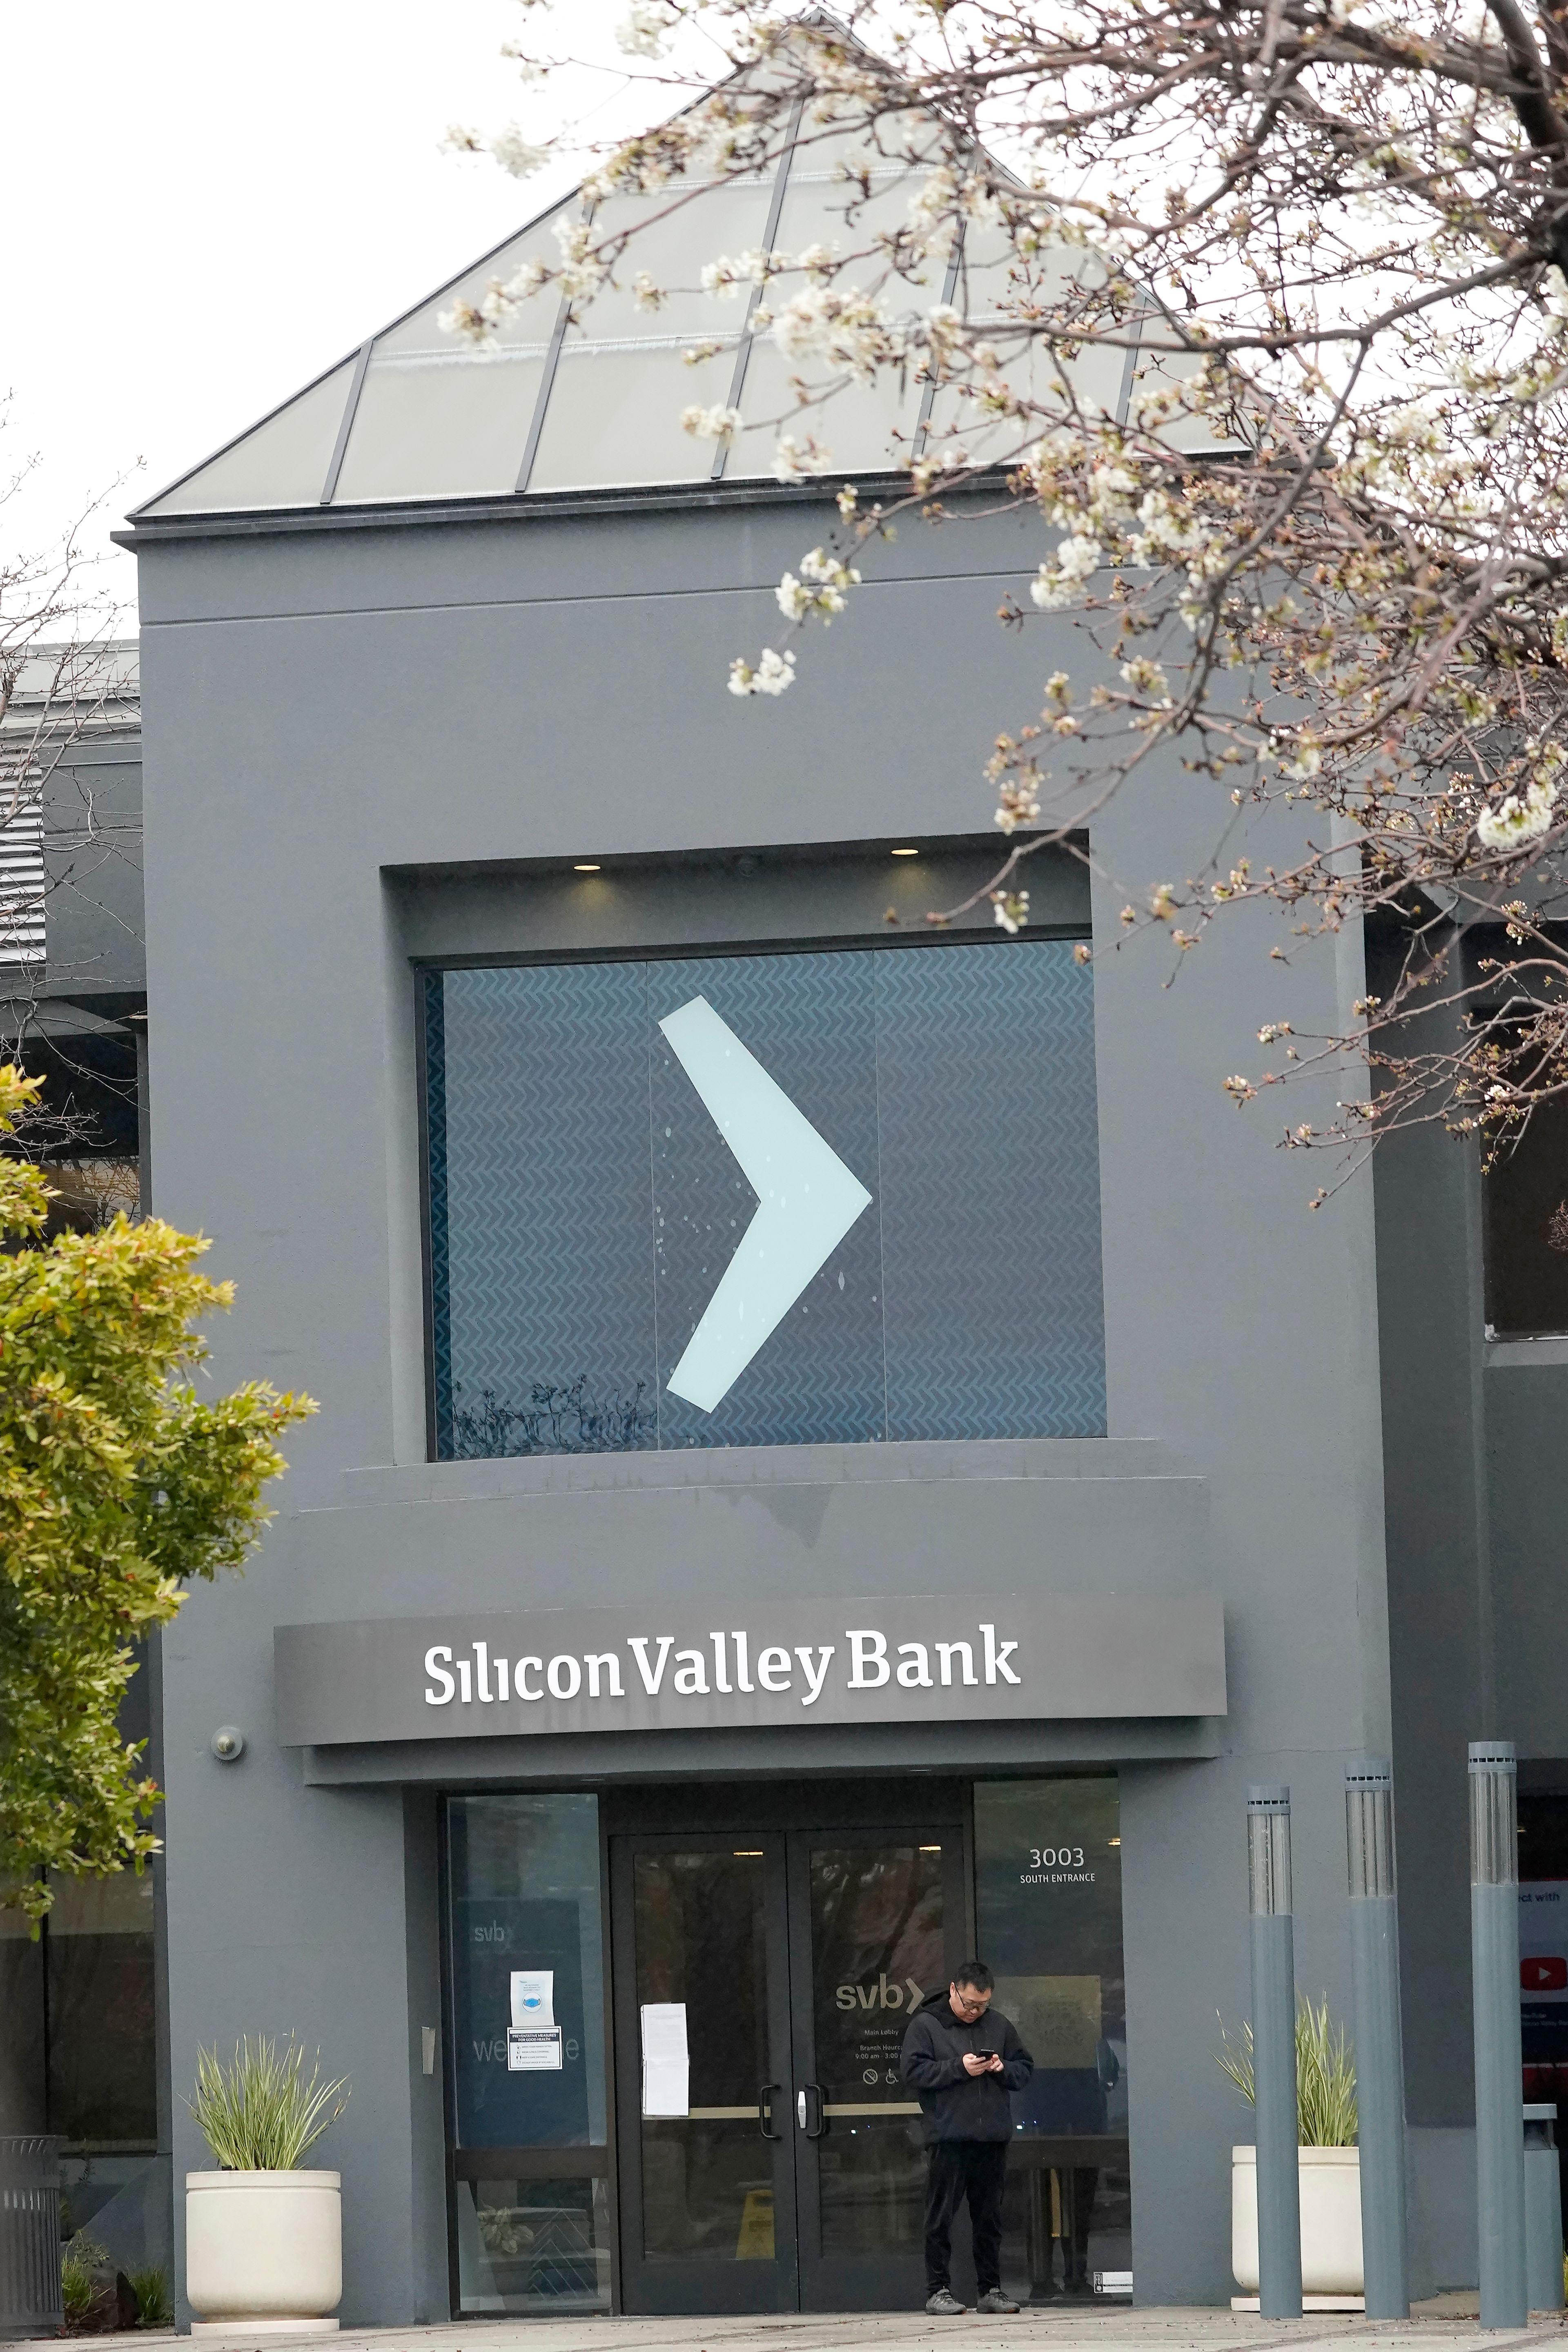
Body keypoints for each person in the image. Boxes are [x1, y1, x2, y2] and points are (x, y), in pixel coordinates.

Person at [900, 1959, 1033, 2315]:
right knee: (940, 2218)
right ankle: (937, 2290)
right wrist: (959, 2067)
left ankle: (991, 2290)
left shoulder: (1000, 2025)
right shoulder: (927, 2025)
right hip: (949, 2137)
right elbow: (913, 2072)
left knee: (989, 2220)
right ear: (954, 1990)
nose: (976, 2011)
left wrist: (1003, 2068)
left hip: (990, 2137)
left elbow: (1025, 2070)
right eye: (970, 2004)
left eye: (983, 2005)